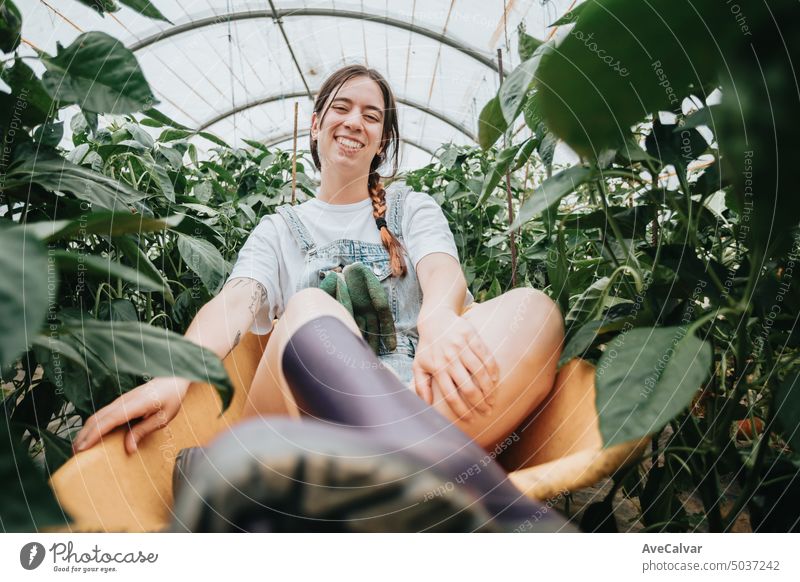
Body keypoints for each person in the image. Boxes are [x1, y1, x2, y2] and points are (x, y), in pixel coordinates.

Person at [71, 64, 569, 532]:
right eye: (342, 107)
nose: (355, 121)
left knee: (536, 312)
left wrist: (438, 315)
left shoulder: (410, 208)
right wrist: (174, 373)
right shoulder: (280, 229)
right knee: (311, 307)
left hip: (422, 406)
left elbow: (442, 269)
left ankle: (286, 485)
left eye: (372, 116)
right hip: (299, 422)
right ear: (315, 125)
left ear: (382, 142)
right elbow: (236, 302)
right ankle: (508, 519)